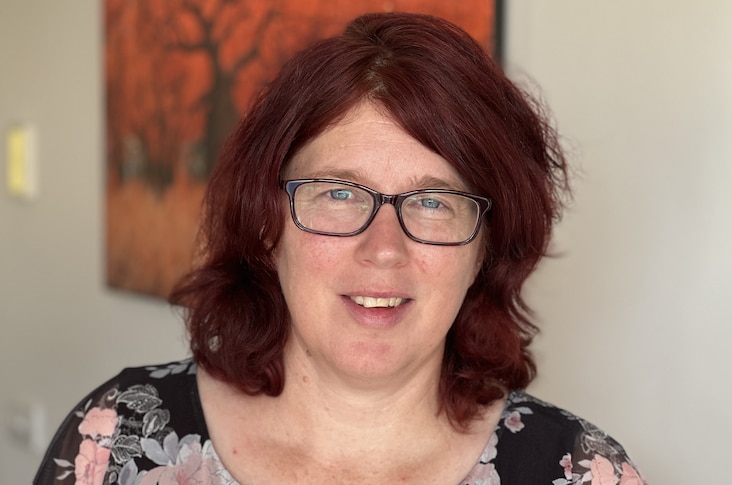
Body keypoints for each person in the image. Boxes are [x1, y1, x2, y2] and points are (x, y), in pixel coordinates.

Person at [35, 12, 647, 485]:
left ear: (486, 246)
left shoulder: (579, 472)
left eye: (433, 202)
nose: (384, 249)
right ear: (267, 221)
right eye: (339, 194)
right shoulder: (116, 440)